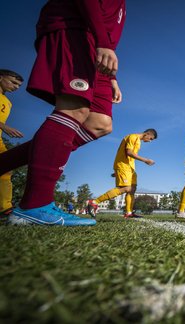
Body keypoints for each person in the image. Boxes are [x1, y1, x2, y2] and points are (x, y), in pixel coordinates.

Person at [5, 0, 127, 226]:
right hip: (75, 31)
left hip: (98, 48)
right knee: (74, 108)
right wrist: (101, 40)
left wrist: (111, 78)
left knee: (100, 123)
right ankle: (34, 204)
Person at [87, 129, 157, 219]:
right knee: (125, 188)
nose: (150, 141)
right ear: (147, 134)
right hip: (123, 165)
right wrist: (146, 160)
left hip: (129, 168)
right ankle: (94, 202)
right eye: (151, 138)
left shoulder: (138, 141)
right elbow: (129, 152)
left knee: (132, 189)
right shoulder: (133, 137)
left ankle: (129, 213)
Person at [0, 69, 24, 217]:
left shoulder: (8, 102)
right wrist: (3, 126)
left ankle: (5, 208)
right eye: (13, 82)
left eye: (18, 86)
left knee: (5, 168)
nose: (15, 87)